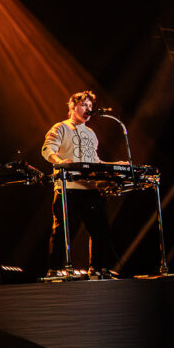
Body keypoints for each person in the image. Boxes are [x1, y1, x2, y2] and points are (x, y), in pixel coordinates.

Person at [41, 90, 118, 277]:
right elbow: (47, 149)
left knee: (100, 229)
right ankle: (55, 269)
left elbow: (95, 161)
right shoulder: (60, 127)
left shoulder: (91, 133)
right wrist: (60, 161)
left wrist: (115, 166)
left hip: (90, 188)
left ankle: (98, 268)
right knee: (63, 230)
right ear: (72, 106)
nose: (88, 109)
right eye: (84, 105)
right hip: (68, 188)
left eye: (90, 106)